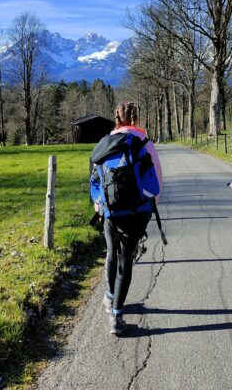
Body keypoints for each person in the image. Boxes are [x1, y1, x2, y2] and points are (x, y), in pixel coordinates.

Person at [90, 102, 163, 336]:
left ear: (117, 119)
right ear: (136, 119)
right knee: (126, 259)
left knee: (112, 253)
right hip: (136, 211)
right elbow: (155, 184)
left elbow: (95, 182)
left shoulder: (103, 145)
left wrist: (100, 204)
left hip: (109, 211)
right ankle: (116, 318)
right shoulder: (143, 144)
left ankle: (109, 297)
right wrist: (150, 208)